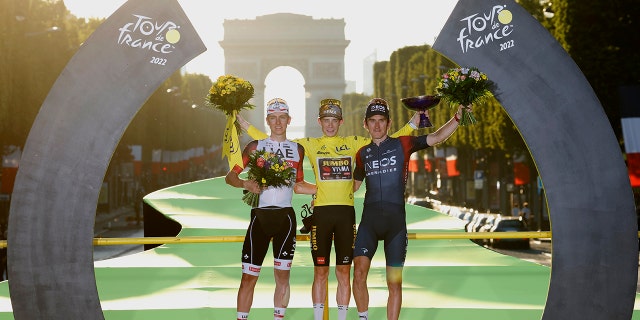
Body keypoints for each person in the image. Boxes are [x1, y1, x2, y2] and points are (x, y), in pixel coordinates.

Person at [238, 99, 420, 320]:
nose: (330, 125)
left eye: (334, 120)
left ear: (341, 121)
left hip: (346, 214)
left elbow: (388, 140)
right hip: (322, 214)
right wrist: (247, 126)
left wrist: (413, 123)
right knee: (320, 272)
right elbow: (277, 140)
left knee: (344, 272)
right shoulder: (309, 144)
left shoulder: (354, 143)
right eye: (326, 120)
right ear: (319, 122)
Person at [352, 98, 468, 320]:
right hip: (369, 223)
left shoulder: (403, 144)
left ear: (389, 123)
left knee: (394, 283)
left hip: (395, 226)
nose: (377, 126)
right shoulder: (361, 154)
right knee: (358, 274)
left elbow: (436, 137)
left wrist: (457, 118)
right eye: (372, 121)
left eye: (381, 121)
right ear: (365, 124)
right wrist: (319, 193)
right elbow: (352, 186)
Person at [226, 98, 314, 320]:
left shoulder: (297, 149)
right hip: (260, 217)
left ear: (288, 120)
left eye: (282, 118)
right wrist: (246, 184)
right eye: (273, 118)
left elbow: (299, 185)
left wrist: (326, 190)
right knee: (248, 278)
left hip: (285, 217)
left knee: (282, 277)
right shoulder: (255, 147)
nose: (278, 122)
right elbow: (231, 177)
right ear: (267, 120)